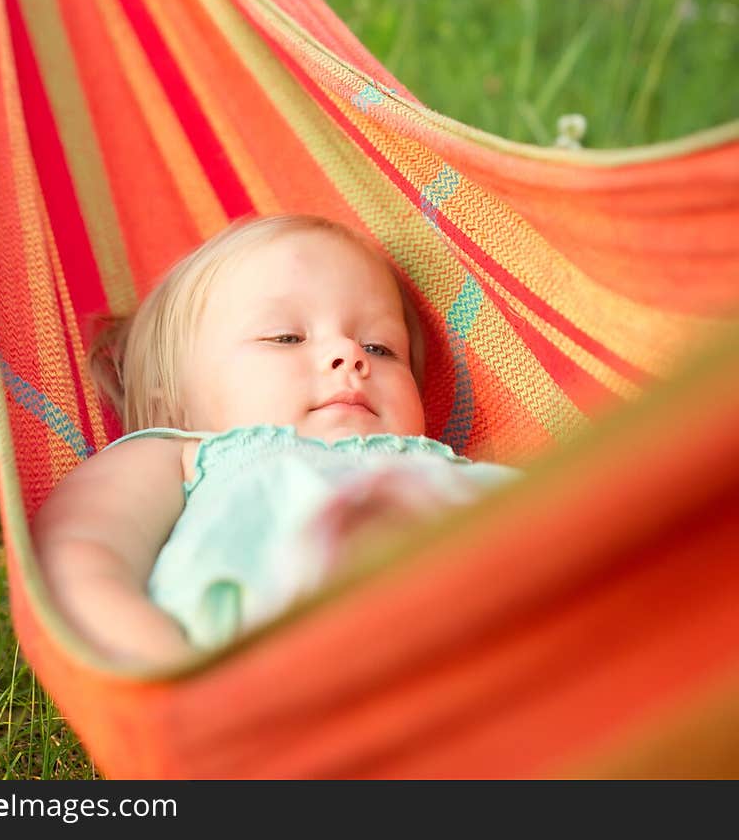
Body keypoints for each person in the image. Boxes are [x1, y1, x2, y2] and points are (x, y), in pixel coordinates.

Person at [31, 214, 518, 667]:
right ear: (172, 400)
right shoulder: (183, 455)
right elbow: (76, 552)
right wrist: (160, 668)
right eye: (286, 337)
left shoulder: (451, 466)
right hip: (277, 686)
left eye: (381, 348)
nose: (349, 354)